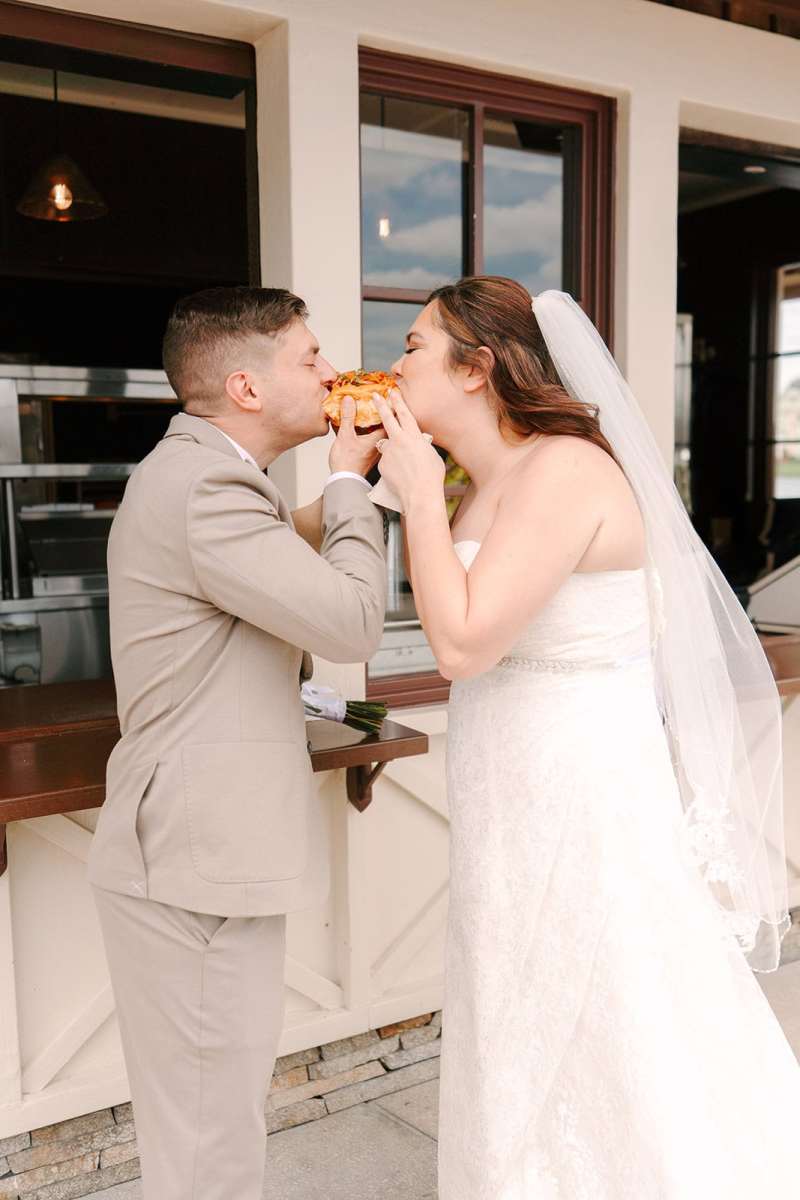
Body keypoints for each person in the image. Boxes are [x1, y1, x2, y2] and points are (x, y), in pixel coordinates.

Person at [371, 275, 800, 1199]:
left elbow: (460, 642)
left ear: (477, 368)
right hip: (508, 789)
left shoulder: (563, 469)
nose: (396, 360)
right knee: (515, 992)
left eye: (413, 344)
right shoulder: (481, 483)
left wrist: (411, 496)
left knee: (613, 998)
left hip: (581, 786)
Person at [87, 286, 387, 1200]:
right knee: (211, 1149)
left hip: (193, 853)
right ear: (248, 388)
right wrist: (345, 486)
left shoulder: (210, 482)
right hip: (192, 861)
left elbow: (264, 558)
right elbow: (351, 620)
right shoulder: (205, 485)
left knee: (208, 1133)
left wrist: (358, 493)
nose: (332, 372)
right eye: (309, 357)